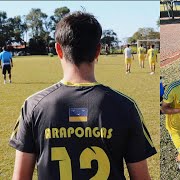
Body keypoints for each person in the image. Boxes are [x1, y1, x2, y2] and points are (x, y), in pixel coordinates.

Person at [9, 11, 156, 180]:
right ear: (98, 51)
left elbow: (20, 177)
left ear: (58, 49)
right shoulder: (126, 106)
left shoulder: (33, 106)